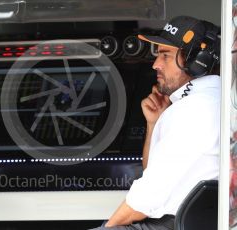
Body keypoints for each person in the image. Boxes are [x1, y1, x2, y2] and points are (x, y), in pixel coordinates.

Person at [90, 15, 221, 230]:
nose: (155, 65)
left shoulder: (193, 109)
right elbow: (153, 172)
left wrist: (107, 228)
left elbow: (145, 199)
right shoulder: (209, 101)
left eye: (165, 55)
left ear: (198, 60)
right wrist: (154, 123)